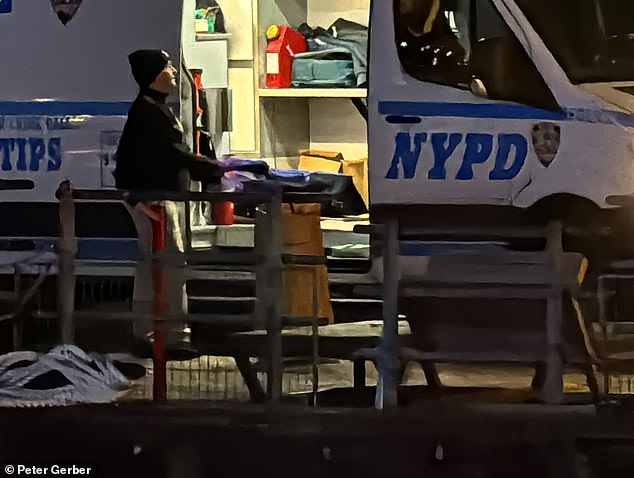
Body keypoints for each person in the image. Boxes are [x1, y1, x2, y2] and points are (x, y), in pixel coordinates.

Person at [114, 49, 220, 191]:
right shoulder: (147, 112)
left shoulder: (154, 106)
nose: (174, 71)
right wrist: (215, 168)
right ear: (154, 75)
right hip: (151, 200)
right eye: (167, 67)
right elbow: (174, 154)